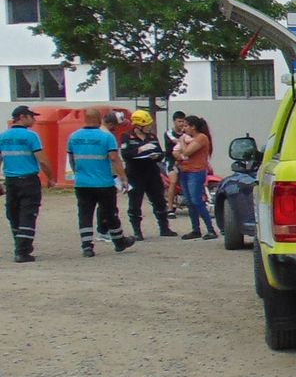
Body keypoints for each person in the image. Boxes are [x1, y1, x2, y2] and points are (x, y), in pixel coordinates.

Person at [67, 107, 135, 257]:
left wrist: (78, 173)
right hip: (103, 182)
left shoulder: (73, 136)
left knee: (84, 214)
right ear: (99, 119)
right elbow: (114, 158)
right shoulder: (106, 137)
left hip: (82, 183)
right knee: (110, 213)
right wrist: (123, 177)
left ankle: (87, 246)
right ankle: (119, 241)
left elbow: (71, 160)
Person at [1, 105, 55, 263]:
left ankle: (20, 245)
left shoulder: (3, 136)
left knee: (13, 213)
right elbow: (42, 160)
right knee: (28, 214)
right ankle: (22, 251)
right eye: (32, 116)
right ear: (22, 117)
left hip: (10, 181)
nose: (34, 119)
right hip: (29, 180)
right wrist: (50, 177)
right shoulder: (31, 136)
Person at [120, 110, 176, 239]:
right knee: (135, 203)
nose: (149, 127)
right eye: (147, 125)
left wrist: (156, 156)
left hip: (152, 174)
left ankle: (164, 228)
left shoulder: (152, 137)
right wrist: (140, 149)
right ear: (138, 125)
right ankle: (137, 231)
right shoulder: (127, 137)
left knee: (160, 201)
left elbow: (160, 153)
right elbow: (126, 155)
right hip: (135, 175)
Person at [173, 115, 217, 240]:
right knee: (190, 202)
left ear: (193, 127)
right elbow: (176, 153)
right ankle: (195, 229)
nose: (184, 128)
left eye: (186, 126)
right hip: (185, 171)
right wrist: (180, 153)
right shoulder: (190, 139)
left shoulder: (201, 138)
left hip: (196, 172)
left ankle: (210, 229)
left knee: (197, 200)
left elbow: (186, 152)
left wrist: (181, 142)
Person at [163, 111, 187, 219]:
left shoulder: (187, 132)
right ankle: (170, 208)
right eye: (179, 121)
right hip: (171, 160)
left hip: (186, 160)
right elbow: (176, 141)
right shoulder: (169, 132)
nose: (181, 124)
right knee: (173, 181)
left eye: (183, 121)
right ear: (174, 121)